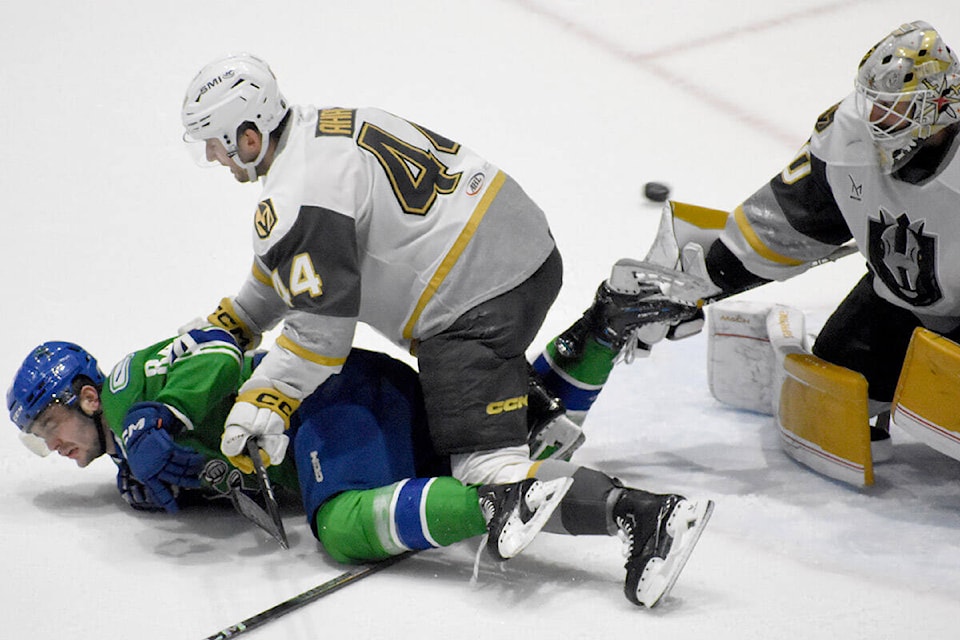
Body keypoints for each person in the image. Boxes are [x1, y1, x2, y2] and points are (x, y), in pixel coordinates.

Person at [8, 286, 713, 608]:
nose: (58, 448)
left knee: (342, 525)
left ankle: (497, 503)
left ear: (85, 395)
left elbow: (223, 351)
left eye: (49, 429)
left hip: (326, 406)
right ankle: (640, 508)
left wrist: (157, 415)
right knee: (521, 444)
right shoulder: (130, 467)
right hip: (363, 414)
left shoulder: (131, 389)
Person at [638, 20, 960, 451]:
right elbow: (786, 225)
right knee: (832, 397)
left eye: (892, 108)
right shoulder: (846, 136)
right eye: (872, 104)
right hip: (904, 302)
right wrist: (698, 285)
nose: (874, 120)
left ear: (933, 106)